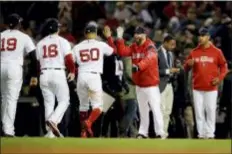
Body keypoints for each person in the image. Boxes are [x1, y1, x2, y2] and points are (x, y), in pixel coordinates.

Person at [104, 25, 165, 139]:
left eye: (139, 34)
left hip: (151, 85)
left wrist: (139, 66)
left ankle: (160, 132)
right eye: (135, 34)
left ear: (144, 35)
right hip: (139, 85)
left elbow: (150, 58)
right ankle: (143, 132)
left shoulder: (150, 46)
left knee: (156, 109)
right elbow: (122, 52)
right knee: (143, 110)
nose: (136, 36)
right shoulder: (134, 46)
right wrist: (120, 38)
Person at [184, 27, 228, 139]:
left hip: (211, 87)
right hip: (197, 87)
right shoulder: (194, 52)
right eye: (199, 35)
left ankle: (210, 134)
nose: (200, 38)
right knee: (199, 112)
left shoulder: (217, 52)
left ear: (208, 37)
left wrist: (220, 77)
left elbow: (224, 66)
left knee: (210, 110)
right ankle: (201, 134)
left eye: (203, 36)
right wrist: (188, 65)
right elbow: (185, 67)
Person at [72, 21, 114, 138]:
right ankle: (89, 122)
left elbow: (70, 61)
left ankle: (83, 132)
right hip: (94, 76)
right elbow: (113, 51)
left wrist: (73, 72)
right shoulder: (100, 44)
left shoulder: (77, 47)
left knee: (83, 106)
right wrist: (109, 37)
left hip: (81, 76)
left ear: (85, 34)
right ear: (96, 34)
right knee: (98, 106)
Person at [36, 18, 75, 138]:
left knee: (49, 103)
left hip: (44, 73)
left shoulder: (40, 43)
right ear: (57, 29)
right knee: (64, 100)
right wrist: (72, 71)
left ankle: (49, 133)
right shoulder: (62, 41)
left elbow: (38, 63)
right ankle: (53, 120)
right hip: (57, 72)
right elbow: (69, 59)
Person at [0, 13, 37, 137]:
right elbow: (33, 56)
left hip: (1, 66)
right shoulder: (24, 36)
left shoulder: (1, 35)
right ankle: (8, 130)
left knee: (4, 99)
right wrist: (34, 74)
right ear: (18, 23)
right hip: (14, 67)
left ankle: (5, 127)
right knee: (11, 99)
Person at [157, 35, 179, 137]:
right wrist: (168, 71)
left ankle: (164, 134)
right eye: (171, 44)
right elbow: (153, 71)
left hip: (170, 85)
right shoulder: (156, 53)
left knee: (168, 111)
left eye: (174, 45)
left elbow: (172, 69)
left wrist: (175, 72)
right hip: (160, 85)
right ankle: (159, 133)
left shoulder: (171, 54)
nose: (173, 47)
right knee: (161, 110)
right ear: (165, 42)